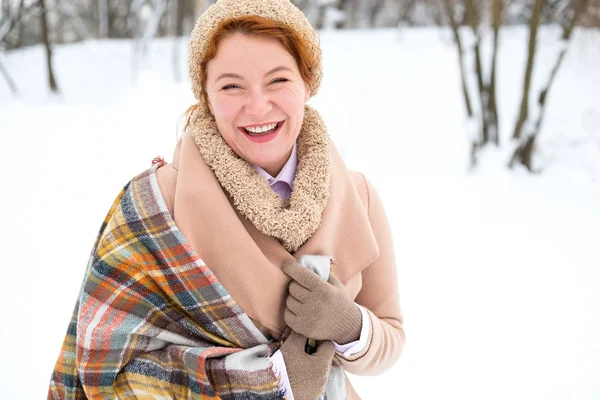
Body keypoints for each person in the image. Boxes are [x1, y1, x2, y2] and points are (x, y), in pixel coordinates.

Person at [48, 0, 404, 399]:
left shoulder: (358, 196)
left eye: (278, 80)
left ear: (308, 82)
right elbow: (103, 365)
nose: (257, 106)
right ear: (207, 96)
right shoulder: (156, 206)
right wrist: (263, 382)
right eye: (231, 86)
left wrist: (350, 326)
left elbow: (390, 335)